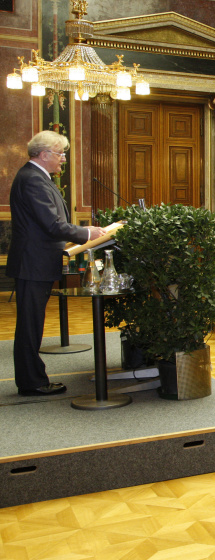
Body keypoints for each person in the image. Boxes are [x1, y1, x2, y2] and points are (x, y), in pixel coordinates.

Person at [7, 131, 106, 395]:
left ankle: (32, 379)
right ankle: (32, 383)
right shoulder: (32, 180)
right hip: (32, 263)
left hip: (36, 262)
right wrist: (88, 233)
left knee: (32, 324)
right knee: (30, 325)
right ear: (44, 154)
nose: (63, 159)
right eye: (60, 154)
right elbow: (51, 225)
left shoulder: (37, 177)